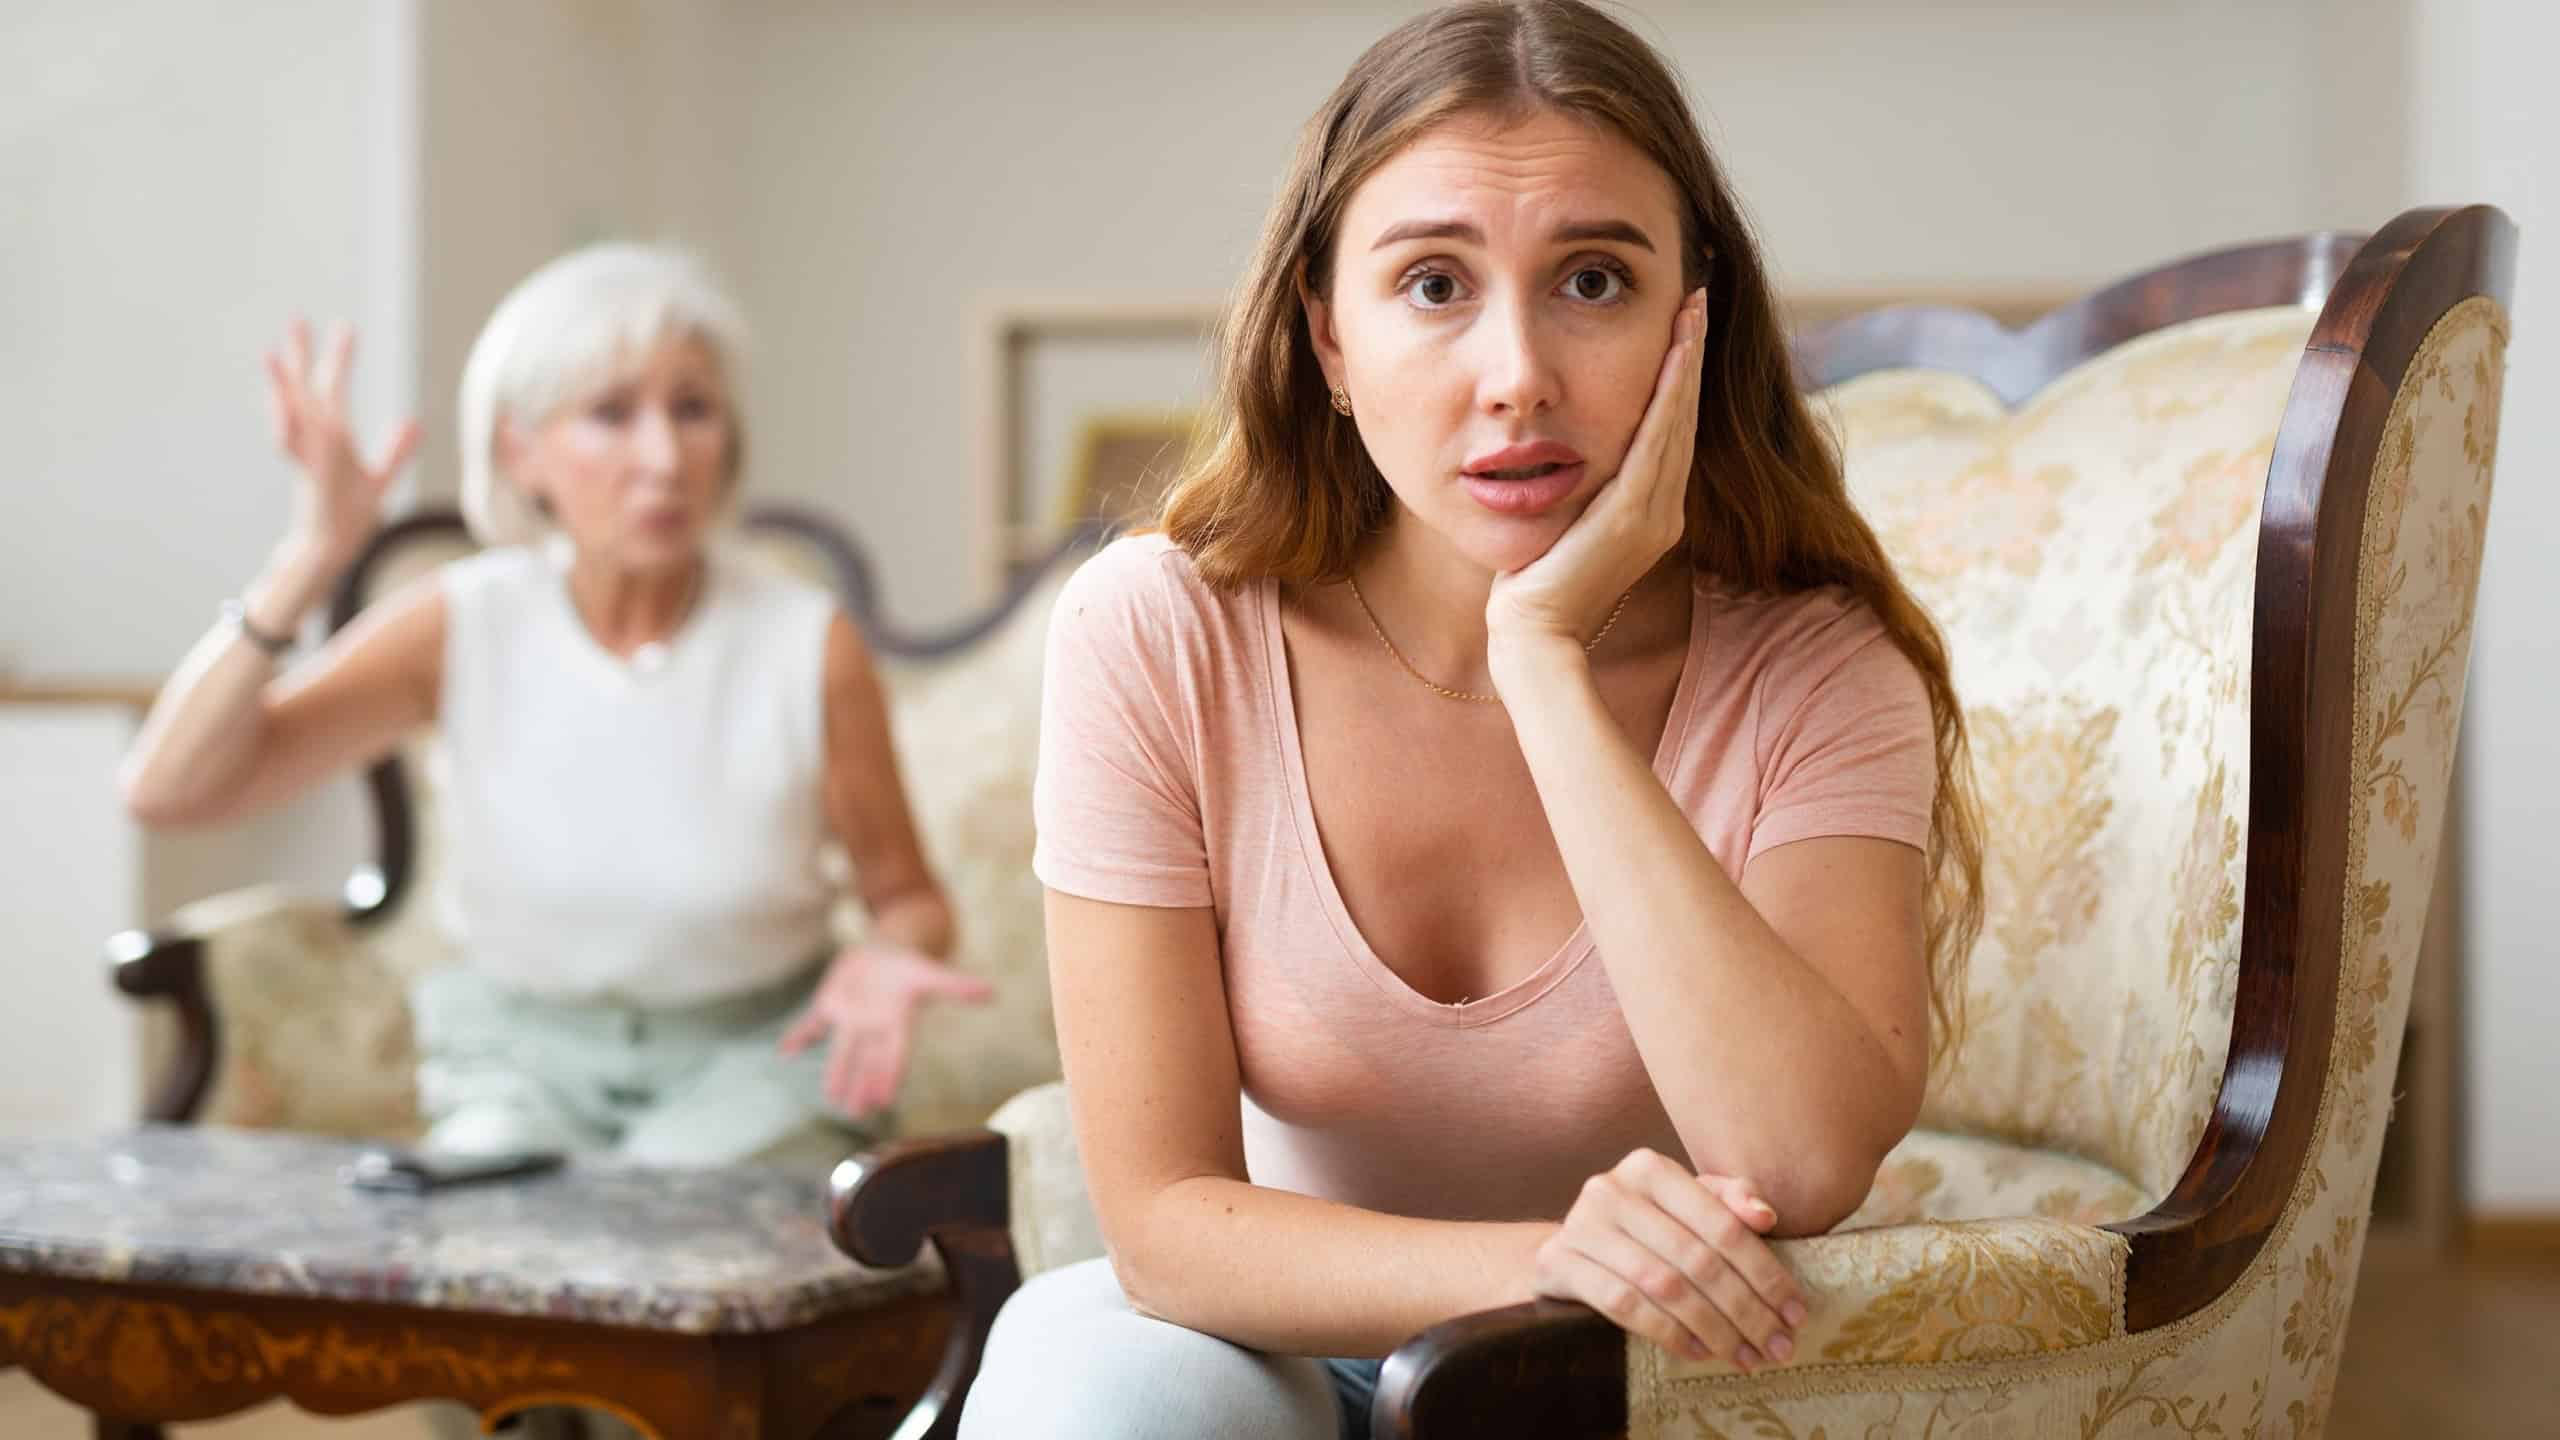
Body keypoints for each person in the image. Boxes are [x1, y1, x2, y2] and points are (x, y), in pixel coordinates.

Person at [962, 3, 1987, 1436]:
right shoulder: (1158, 631)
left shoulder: (1816, 671)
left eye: (1592, 280)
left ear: (1696, 320)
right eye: (1434, 285)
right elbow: (1165, 1226)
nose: (1518, 374)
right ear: (1329, 336)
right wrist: (1539, 1265)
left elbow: (1801, 1161)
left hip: (1620, 1385)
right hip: (1258, 1341)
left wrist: (1547, 663)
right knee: (1116, 1395)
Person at [120, 243, 990, 1178]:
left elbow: (907, 901)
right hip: (520, 1063)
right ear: (520, 452)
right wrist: (310, 556)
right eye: (611, 414)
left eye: (691, 409)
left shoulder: (806, 642)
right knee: (490, 1230)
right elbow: (172, 790)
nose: (663, 456)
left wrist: (891, 961)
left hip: (756, 1063)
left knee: (674, 1203)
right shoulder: (463, 621)